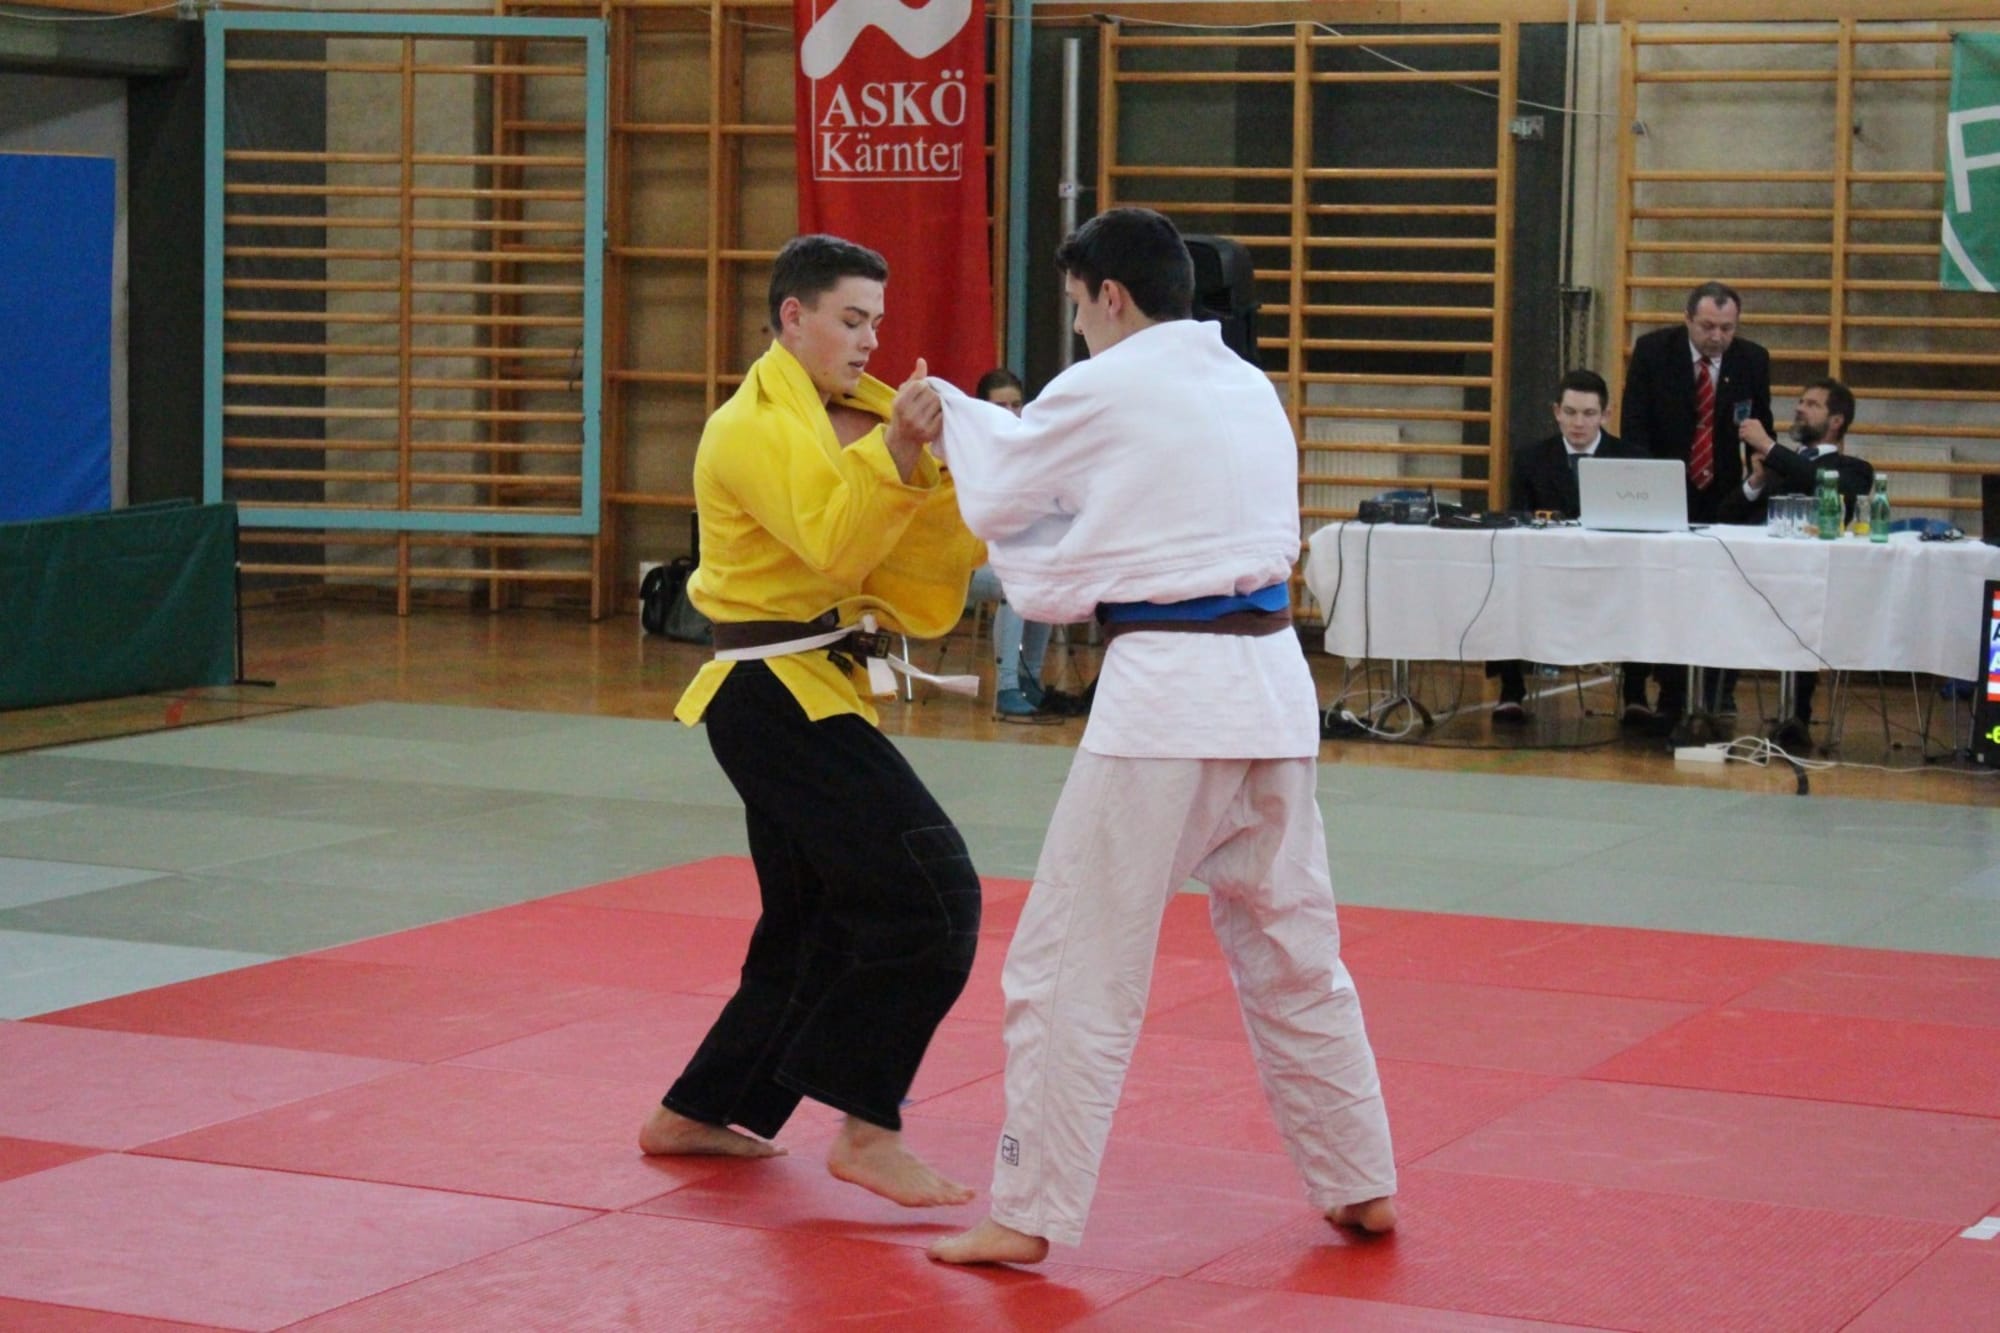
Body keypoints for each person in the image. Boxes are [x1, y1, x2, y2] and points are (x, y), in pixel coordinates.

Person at [916, 207, 1398, 1265]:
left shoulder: (1109, 384)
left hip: (1169, 702)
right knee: (1293, 948)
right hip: (1276, 695)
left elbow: (1003, 491)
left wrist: (946, 409)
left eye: (1076, 305)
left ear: (1112, 296)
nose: (1076, 328)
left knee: (1068, 960)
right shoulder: (1249, 387)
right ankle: (1358, 1177)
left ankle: (1027, 1210)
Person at [638, 234, 986, 1209]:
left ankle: (697, 1110)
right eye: (851, 318)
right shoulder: (747, 429)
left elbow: (920, 540)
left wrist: (961, 459)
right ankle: (868, 1128)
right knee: (932, 895)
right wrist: (902, 451)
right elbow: (836, 544)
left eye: (877, 321)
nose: (870, 339)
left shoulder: (862, 409)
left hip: (811, 686)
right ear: (792, 316)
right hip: (769, 697)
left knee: (813, 924)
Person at [1619, 280, 1774, 728]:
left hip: (1724, 492)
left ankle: (1717, 689)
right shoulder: (1654, 351)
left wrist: (1756, 480)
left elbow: (1761, 429)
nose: (1717, 336)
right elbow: (1635, 426)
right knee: (1660, 593)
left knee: (1721, 593)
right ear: (1687, 319)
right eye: (1707, 326)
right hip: (1664, 487)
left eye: (1727, 328)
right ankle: (1656, 691)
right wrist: (1646, 490)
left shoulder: (1752, 359)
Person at [1490, 369, 1655, 726]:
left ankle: (1636, 693)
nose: (1578, 423)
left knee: (1647, 590)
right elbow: (1518, 520)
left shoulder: (1631, 459)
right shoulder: (1531, 458)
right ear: (1556, 412)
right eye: (1570, 412)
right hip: (1548, 571)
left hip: (1613, 574)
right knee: (1504, 585)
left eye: (1589, 413)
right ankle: (1511, 690)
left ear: (1606, 415)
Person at [1721, 376, 1875, 750]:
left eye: (1812, 404)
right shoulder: (1777, 466)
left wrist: (1769, 446)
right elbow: (1726, 518)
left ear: (1836, 420)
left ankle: (1796, 716)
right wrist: (1755, 482)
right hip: (1755, 577)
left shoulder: (1854, 468)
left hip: (1810, 585)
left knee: (1801, 612)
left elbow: (1826, 486)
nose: (1799, 408)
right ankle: (1707, 705)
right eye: (1800, 401)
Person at [964, 368, 1055, 719]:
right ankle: (1006, 687)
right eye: (1000, 406)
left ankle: (1030, 677)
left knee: (1045, 577)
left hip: (1007, 558)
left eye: (1016, 405)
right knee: (1013, 583)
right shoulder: (966, 451)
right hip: (965, 566)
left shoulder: (1028, 452)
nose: (1011, 413)